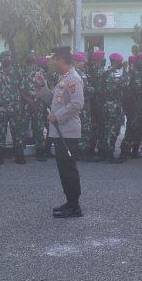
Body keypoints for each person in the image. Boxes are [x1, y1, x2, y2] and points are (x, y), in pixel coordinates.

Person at [34, 46, 84, 218]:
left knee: (69, 168)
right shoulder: (64, 78)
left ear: (61, 59)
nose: (51, 62)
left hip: (68, 131)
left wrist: (57, 116)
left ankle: (75, 206)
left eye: (53, 58)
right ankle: (70, 202)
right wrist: (42, 84)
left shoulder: (73, 79)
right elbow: (52, 101)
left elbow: (77, 104)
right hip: (60, 130)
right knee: (63, 169)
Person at [0, 50, 26, 165]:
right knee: (1, 133)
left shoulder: (18, 71)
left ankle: (20, 156)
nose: (8, 58)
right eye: (5, 57)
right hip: (0, 108)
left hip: (15, 107)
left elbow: (22, 88)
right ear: (1, 60)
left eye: (9, 56)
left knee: (17, 132)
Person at [98, 52, 126, 164]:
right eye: (120, 62)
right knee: (112, 130)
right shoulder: (113, 74)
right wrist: (125, 71)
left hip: (107, 105)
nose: (120, 64)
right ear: (115, 62)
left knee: (107, 129)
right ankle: (109, 154)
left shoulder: (105, 72)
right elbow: (124, 84)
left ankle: (106, 153)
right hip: (113, 106)